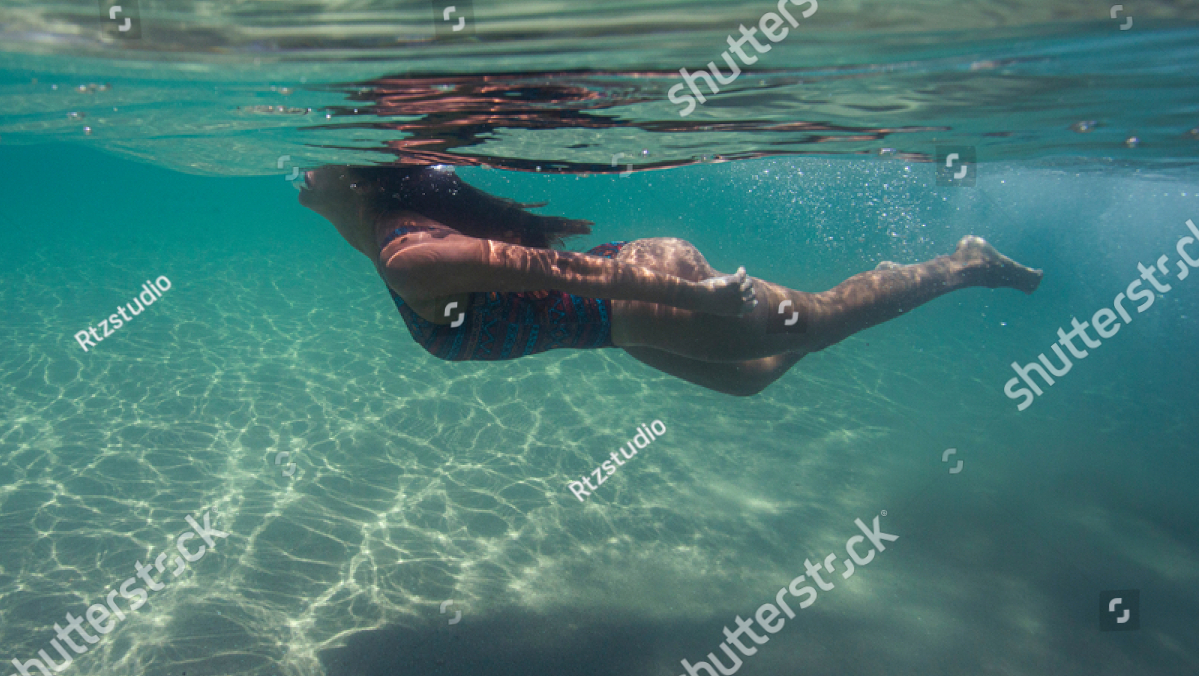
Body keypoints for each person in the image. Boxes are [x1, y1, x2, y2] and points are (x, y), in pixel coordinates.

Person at [297, 163, 1041, 396]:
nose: (306, 168)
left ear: (361, 184)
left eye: (321, 165)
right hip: (628, 313)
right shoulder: (364, 216)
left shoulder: (408, 256)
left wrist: (695, 294)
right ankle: (886, 280)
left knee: (816, 322)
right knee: (753, 377)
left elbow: (560, 270)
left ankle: (959, 263)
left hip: (643, 290)